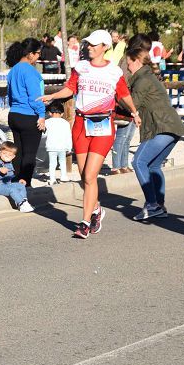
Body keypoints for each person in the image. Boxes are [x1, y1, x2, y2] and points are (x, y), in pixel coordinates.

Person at [40, 29, 140, 239]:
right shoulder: (81, 67)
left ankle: (85, 222)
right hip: (81, 124)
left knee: (91, 175)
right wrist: (52, 96)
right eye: (88, 44)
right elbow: (70, 88)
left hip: (103, 125)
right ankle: (96, 210)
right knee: (85, 176)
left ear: (105, 47)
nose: (89, 47)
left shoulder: (114, 71)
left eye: (94, 45)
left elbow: (123, 94)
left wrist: (134, 112)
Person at [124, 35, 184, 220]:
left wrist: (116, 97)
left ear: (136, 62)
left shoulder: (142, 81)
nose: (127, 66)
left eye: (128, 62)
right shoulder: (149, 77)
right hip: (172, 126)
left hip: (161, 127)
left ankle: (152, 205)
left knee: (138, 162)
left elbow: (132, 104)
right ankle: (159, 205)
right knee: (153, 165)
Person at [5, 38, 46, 185]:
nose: (38, 57)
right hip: (29, 116)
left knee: (18, 152)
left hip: (14, 114)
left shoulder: (13, 70)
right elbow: (35, 97)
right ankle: (25, 184)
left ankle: (16, 181)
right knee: (29, 154)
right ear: (30, 54)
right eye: (37, 54)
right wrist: (41, 115)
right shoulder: (30, 72)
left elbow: (10, 95)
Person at [0, 141, 33, 212]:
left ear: (13, 157)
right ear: (0, 153)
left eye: (9, 155)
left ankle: (24, 201)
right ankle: (21, 203)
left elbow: (11, 177)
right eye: (4, 153)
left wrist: (18, 180)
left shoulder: (9, 164)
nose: (6, 156)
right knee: (12, 190)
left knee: (21, 186)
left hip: (8, 184)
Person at [44, 102, 72, 184]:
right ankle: (64, 176)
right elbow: (68, 135)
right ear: (62, 113)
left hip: (51, 146)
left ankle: (52, 179)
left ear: (49, 113)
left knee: (52, 163)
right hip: (62, 146)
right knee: (62, 161)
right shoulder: (65, 123)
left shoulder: (47, 122)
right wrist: (69, 147)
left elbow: (44, 134)